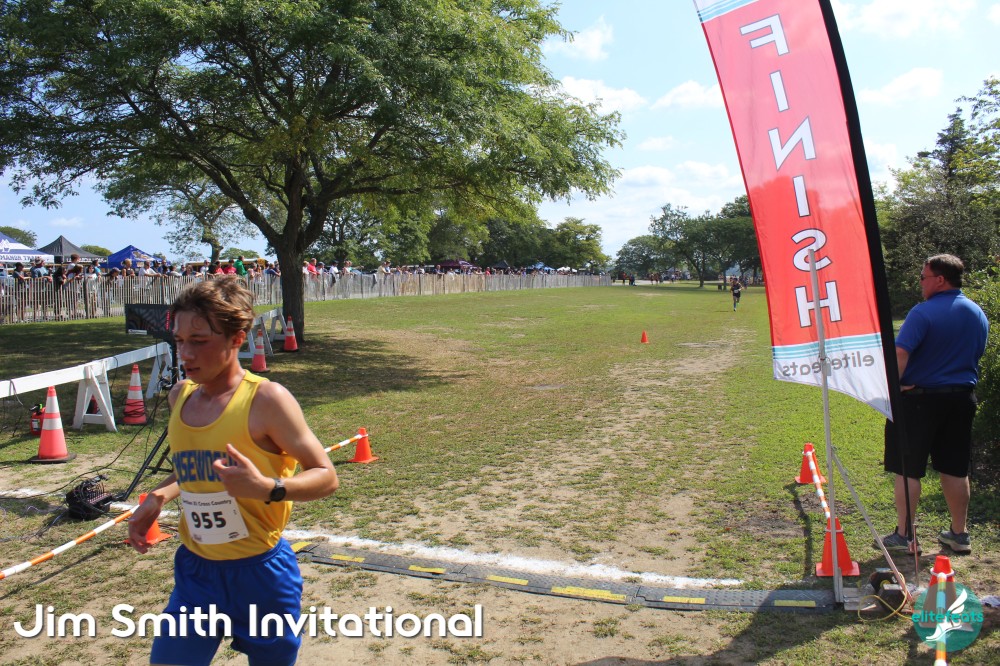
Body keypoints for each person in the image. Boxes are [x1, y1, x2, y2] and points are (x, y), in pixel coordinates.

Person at [127, 279, 339, 665]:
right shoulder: (180, 396)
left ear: (236, 339)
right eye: (179, 341)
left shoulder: (266, 400)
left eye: (199, 341)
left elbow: (325, 475)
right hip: (196, 572)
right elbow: (196, 469)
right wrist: (158, 496)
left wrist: (268, 487)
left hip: (260, 576)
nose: (186, 353)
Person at [878, 254, 989, 555]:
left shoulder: (922, 312)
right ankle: (959, 534)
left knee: (908, 469)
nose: (921, 283)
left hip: (920, 400)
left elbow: (901, 354)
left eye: (923, 277)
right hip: (962, 398)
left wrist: (892, 388)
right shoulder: (976, 312)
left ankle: (904, 535)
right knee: (955, 468)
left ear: (940, 279)